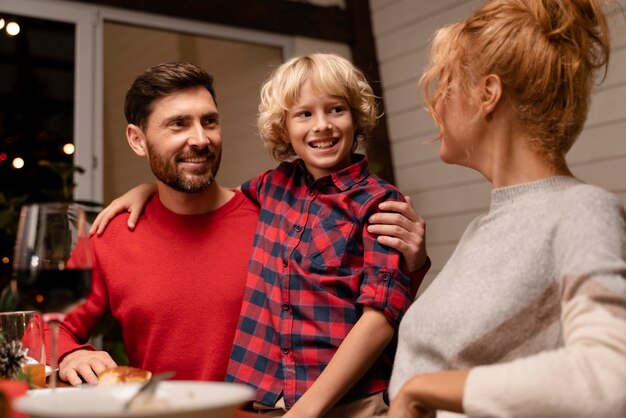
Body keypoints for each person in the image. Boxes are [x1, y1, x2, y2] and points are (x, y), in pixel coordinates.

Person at [58, 61, 427, 387]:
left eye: (210, 121)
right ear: (138, 140)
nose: (200, 139)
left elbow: (362, 299)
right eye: (178, 124)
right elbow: (46, 324)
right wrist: (69, 355)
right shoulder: (113, 236)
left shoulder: (275, 214)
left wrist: (412, 264)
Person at [387, 1, 626, 417]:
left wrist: (421, 390)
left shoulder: (581, 210)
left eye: (446, 86)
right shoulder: (484, 227)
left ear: (488, 94)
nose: (437, 107)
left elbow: (610, 376)